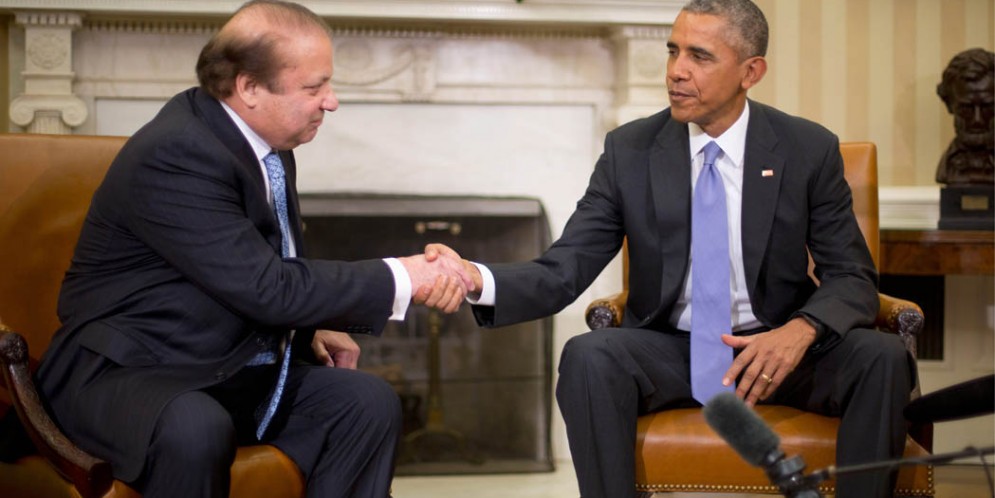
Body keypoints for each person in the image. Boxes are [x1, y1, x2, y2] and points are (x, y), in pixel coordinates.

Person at [431, 1, 916, 497]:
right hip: (673, 351)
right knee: (588, 356)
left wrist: (799, 331)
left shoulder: (806, 149)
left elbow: (851, 275)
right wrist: (477, 278)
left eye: (699, 56)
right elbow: (564, 267)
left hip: (778, 350)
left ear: (751, 72)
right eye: (673, 51)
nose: (676, 71)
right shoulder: (631, 151)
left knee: (881, 356)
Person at [31, 1, 471, 497]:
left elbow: (253, 265)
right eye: (314, 88)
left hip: (219, 362)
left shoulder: (264, 143)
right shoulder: (179, 151)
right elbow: (266, 286)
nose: (331, 102)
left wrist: (310, 325)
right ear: (249, 88)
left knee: (365, 403)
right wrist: (405, 275)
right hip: (130, 372)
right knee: (196, 428)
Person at [935, 47, 995, 185]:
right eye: (966, 109)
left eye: (988, 108)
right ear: (949, 104)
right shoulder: (948, 167)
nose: (977, 120)